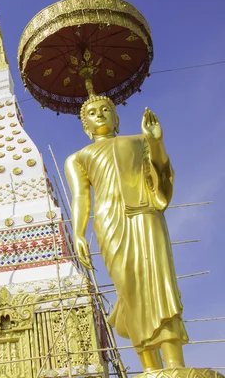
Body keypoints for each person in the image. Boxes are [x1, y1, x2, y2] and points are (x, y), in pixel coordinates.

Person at [64, 95, 188, 372]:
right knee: (129, 290)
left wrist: (156, 142)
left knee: (159, 282)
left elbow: (161, 174)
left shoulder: (139, 141)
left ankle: (175, 363)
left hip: (145, 213)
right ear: (86, 125)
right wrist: (78, 233)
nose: (100, 114)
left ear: (116, 118)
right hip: (110, 221)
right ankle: (149, 367)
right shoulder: (78, 158)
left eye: (106, 109)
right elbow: (81, 196)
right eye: (93, 112)